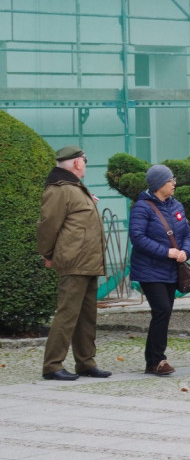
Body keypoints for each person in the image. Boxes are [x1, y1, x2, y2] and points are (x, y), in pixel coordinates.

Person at [36, 145, 111, 381]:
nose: (85, 167)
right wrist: (47, 254)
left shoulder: (74, 188)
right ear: (78, 163)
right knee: (67, 314)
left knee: (87, 316)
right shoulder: (60, 189)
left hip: (87, 262)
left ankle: (86, 363)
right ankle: (52, 365)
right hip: (75, 261)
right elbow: (48, 224)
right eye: (85, 163)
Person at [128, 164, 190, 376]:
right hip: (149, 270)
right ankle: (157, 359)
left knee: (164, 313)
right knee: (162, 310)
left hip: (171, 270)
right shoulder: (142, 207)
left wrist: (184, 251)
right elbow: (138, 238)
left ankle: (154, 360)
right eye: (169, 181)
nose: (174, 183)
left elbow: (186, 234)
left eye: (173, 179)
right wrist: (167, 252)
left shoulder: (177, 206)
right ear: (158, 185)